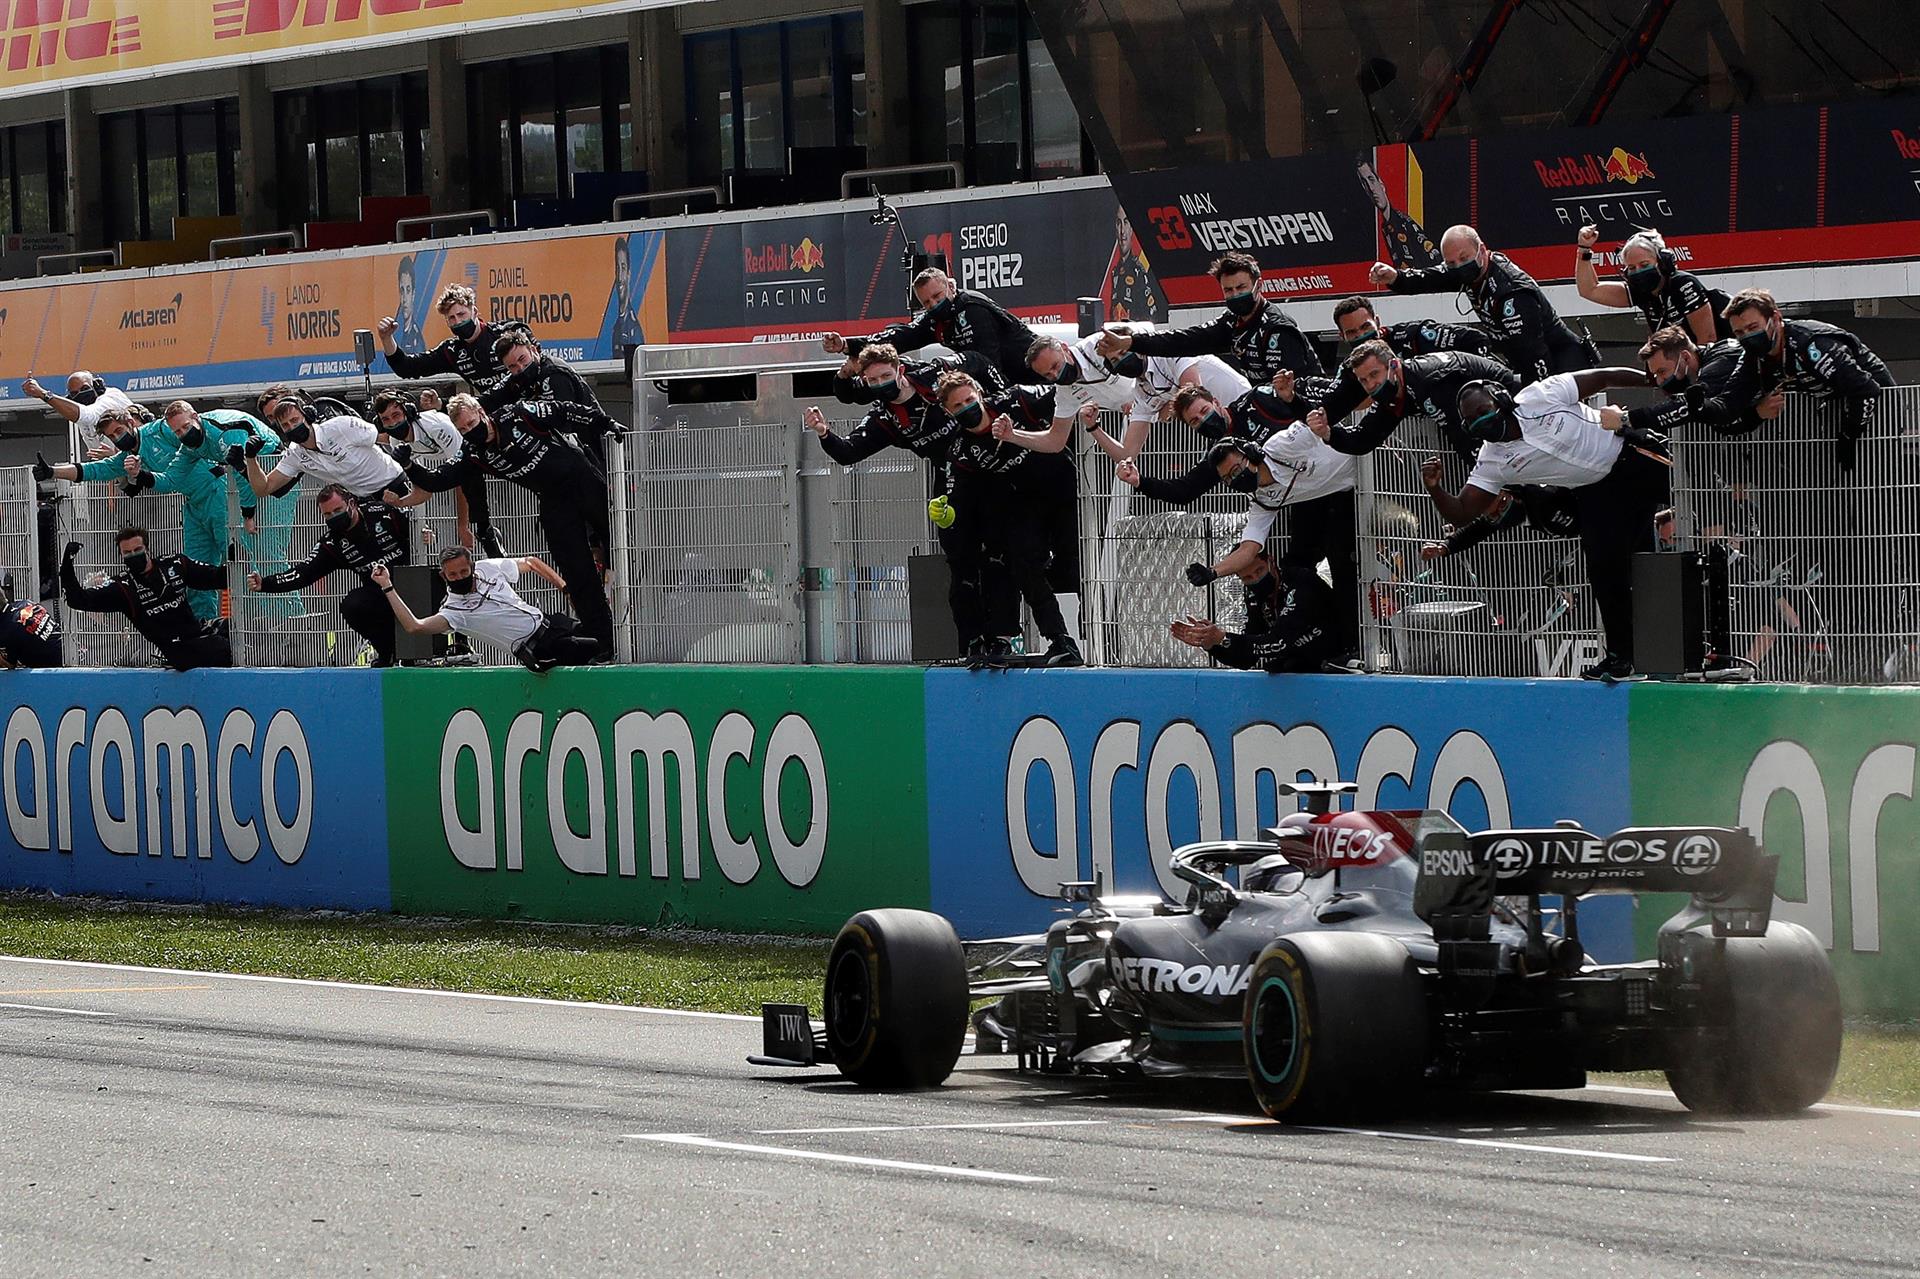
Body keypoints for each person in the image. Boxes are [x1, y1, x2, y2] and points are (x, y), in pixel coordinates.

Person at [1431, 370, 1669, 681]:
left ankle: (1697, 651)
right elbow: (1462, 512)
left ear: (1502, 400)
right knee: (1605, 572)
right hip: (1597, 492)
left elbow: (1604, 377)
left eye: (1483, 411)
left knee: (1701, 505)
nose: (1480, 421)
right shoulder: (1492, 461)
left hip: (1633, 456)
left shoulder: (1542, 395)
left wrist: (1656, 381)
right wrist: (1434, 487)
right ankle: (1622, 659)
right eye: (1471, 420)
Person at [803, 344, 1008, 664]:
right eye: (873, 380)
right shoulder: (884, 417)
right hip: (950, 484)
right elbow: (848, 452)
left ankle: (1002, 640)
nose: (881, 383)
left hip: (993, 470)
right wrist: (823, 432)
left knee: (1000, 558)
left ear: (900, 370)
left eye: (886, 376)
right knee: (961, 566)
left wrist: (1000, 399)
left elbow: (977, 360)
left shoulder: (932, 374)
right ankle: (972, 644)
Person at [1118, 422, 1360, 663]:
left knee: (1343, 563)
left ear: (1251, 454)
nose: (1235, 479)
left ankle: (1355, 649)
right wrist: (1213, 637)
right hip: (1346, 490)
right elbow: (1248, 550)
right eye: (1227, 478)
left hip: (1367, 473)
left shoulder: (1280, 446)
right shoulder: (1263, 501)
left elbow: (1318, 421)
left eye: (1236, 470)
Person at [398, 393, 618, 657]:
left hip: (582, 481)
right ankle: (603, 641)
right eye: (463, 430)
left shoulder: (519, 413)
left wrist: (604, 422)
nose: (470, 431)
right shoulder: (472, 452)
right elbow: (438, 479)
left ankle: (631, 621)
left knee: (617, 543)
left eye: (471, 423)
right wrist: (409, 465)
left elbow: (564, 409)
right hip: (552, 498)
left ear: (481, 412)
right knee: (575, 569)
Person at [937, 371, 1085, 667]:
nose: (967, 408)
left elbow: (1063, 392)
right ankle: (1058, 640)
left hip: (1064, 491)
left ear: (980, 394)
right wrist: (947, 514)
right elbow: (958, 495)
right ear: (948, 412)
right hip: (1024, 502)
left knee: (1074, 564)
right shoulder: (960, 449)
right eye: (958, 406)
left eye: (969, 400)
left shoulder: (1015, 399)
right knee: (1020, 563)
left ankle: (1097, 634)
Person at [35, 408, 227, 623]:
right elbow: (93, 470)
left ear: (130, 421)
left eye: (118, 431)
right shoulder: (127, 457)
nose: (117, 438)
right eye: (112, 436)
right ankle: (205, 627)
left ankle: (255, 623)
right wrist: (53, 472)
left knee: (236, 558)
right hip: (193, 504)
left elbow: (196, 430)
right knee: (197, 574)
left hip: (216, 492)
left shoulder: (160, 431)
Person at [1371, 225, 1597, 383]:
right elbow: (1430, 278)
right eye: (1451, 262)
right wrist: (1395, 277)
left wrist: (1537, 400)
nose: (1459, 266)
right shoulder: (1469, 270)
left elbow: (1535, 355)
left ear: (1481, 250)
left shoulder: (1511, 293)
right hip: (1525, 361)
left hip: (1562, 364)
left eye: (1463, 258)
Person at [1722, 287, 1893, 470]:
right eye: (1739, 333)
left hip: (1876, 397)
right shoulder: (1752, 357)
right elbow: (1728, 405)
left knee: (1874, 470)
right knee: (1836, 473)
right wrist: (1756, 413)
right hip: (1835, 401)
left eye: (1753, 327)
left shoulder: (1811, 343)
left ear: (1776, 318)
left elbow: (1866, 389)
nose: (1747, 337)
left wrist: (1850, 435)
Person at [1095, 250, 1325, 380]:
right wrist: (1130, 342)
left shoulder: (1277, 329)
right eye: (1228, 290)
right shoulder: (1231, 322)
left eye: (1241, 288)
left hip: (1306, 420)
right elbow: (1183, 340)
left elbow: (1292, 389)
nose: (1235, 295)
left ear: (1258, 286)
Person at [248, 486, 410, 667]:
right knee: (353, 605)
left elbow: (417, 525)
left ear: (351, 503)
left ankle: (422, 652)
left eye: (338, 510)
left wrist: (426, 534)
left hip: (415, 586)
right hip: (381, 595)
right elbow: (304, 572)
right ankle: (388, 652)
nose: (334, 517)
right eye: (327, 515)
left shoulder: (382, 512)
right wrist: (266, 583)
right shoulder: (332, 542)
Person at [369, 549, 601, 672]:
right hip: (538, 648)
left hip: (550, 622)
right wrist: (387, 586)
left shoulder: (488, 568)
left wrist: (565, 589)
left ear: (472, 567)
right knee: (593, 648)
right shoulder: (453, 611)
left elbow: (531, 562)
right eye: (453, 575)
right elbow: (414, 626)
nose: (460, 577)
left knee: (602, 633)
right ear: (443, 576)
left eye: (464, 572)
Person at [822, 267, 1037, 392]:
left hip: (1034, 377)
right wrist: (847, 344)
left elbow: (988, 363)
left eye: (937, 296)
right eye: (926, 302)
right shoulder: (935, 319)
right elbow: (901, 336)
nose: (933, 304)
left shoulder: (973, 308)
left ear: (950, 287)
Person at [1310, 340, 1523, 461]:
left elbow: (1466, 440)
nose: (1371, 385)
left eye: (1374, 374)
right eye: (1364, 380)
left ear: (1394, 366)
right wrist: (1327, 433)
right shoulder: (1394, 390)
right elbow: (1364, 439)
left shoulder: (1426, 381)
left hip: (1518, 405)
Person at [60, 527, 231, 670]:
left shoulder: (175, 564)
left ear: (147, 549)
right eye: (127, 553)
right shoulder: (122, 587)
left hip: (196, 631)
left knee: (233, 629)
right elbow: (78, 600)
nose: (133, 555)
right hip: (176, 650)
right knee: (223, 649)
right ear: (121, 556)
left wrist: (234, 558)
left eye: (137, 550)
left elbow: (217, 578)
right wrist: (67, 567)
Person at [370, 388, 498, 556]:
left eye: (396, 415)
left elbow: (463, 476)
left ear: (408, 412)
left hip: (486, 449)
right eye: (386, 420)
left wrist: (462, 526)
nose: (393, 423)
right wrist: (400, 502)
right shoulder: (397, 443)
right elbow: (424, 491)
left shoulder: (436, 427)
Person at [1170, 547, 1338, 673]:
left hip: (1334, 661)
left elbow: (1279, 643)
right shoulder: (1254, 595)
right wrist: (1211, 644)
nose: (1256, 579)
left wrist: (1223, 637)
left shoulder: (1301, 582)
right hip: (1301, 669)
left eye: (1260, 570)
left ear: (1271, 561)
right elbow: (1247, 659)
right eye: (1248, 577)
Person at [246, 389, 408, 507]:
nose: (292, 427)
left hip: (395, 484)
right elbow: (263, 489)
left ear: (307, 416)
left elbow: (386, 437)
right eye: (285, 425)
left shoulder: (341, 425)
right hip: (365, 501)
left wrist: (410, 462)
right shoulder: (295, 455)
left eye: (295, 420)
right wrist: (250, 458)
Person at [481, 329, 617, 467]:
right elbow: (488, 399)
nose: (520, 367)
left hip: (590, 446)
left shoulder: (554, 373)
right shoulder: (515, 379)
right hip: (559, 456)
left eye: (522, 359)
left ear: (533, 350)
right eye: (512, 366)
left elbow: (560, 420)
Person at [1575, 226, 1730, 345]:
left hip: (1717, 360)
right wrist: (1584, 249)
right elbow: (1589, 290)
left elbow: (1708, 339)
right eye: (1632, 268)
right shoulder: (1640, 291)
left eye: (1644, 264)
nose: (1638, 271)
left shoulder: (1683, 284)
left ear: (1662, 262)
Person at [379, 283, 518, 395]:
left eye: (462, 314)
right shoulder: (452, 351)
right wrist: (386, 338)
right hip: (495, 412)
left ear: (474, 312)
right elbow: (406, 368)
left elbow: (531, 365)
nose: (458, 322)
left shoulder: (506, 332)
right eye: (452, 318)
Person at [1627, 326, 1764, 437]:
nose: (1659, 381)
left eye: (1662, 371)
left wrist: (1627, 419)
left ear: (1685, 357)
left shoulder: (1720, 362)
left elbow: (1690, 406)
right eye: (1656, 375)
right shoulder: (1711, 357)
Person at [21, 370, 134, 458]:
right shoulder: (83, 414)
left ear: (97, 385)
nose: (81, 394)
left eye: (85, 388)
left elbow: (88, 415)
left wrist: (43, 394)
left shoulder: (110, 397)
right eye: (74, 393)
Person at [1101, 205, 1168, 324]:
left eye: (1126, 222)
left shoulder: (1139, 272)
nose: (1122, 231)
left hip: (1135, 334)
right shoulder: (1115, 272)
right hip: (1118, 333)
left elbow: (1150, 317)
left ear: (1132, 228)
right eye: (1119, 223)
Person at [0, 594, 61, 668]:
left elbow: (9, 665)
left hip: (54, 667)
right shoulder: (25, 603)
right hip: (68, 651)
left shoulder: (6, 630)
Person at [612, 233, 646, 349]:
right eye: (617, 268)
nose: (620, 277)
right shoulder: (618, 324)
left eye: (623, 268)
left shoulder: (633, 330)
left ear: (628, 274)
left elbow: (633, 360)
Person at [392, 254, 425, 354]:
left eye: (408, 290)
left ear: (413, 294)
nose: (404, 298)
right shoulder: (400, 333)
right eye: (402, 290)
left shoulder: (415, 339)